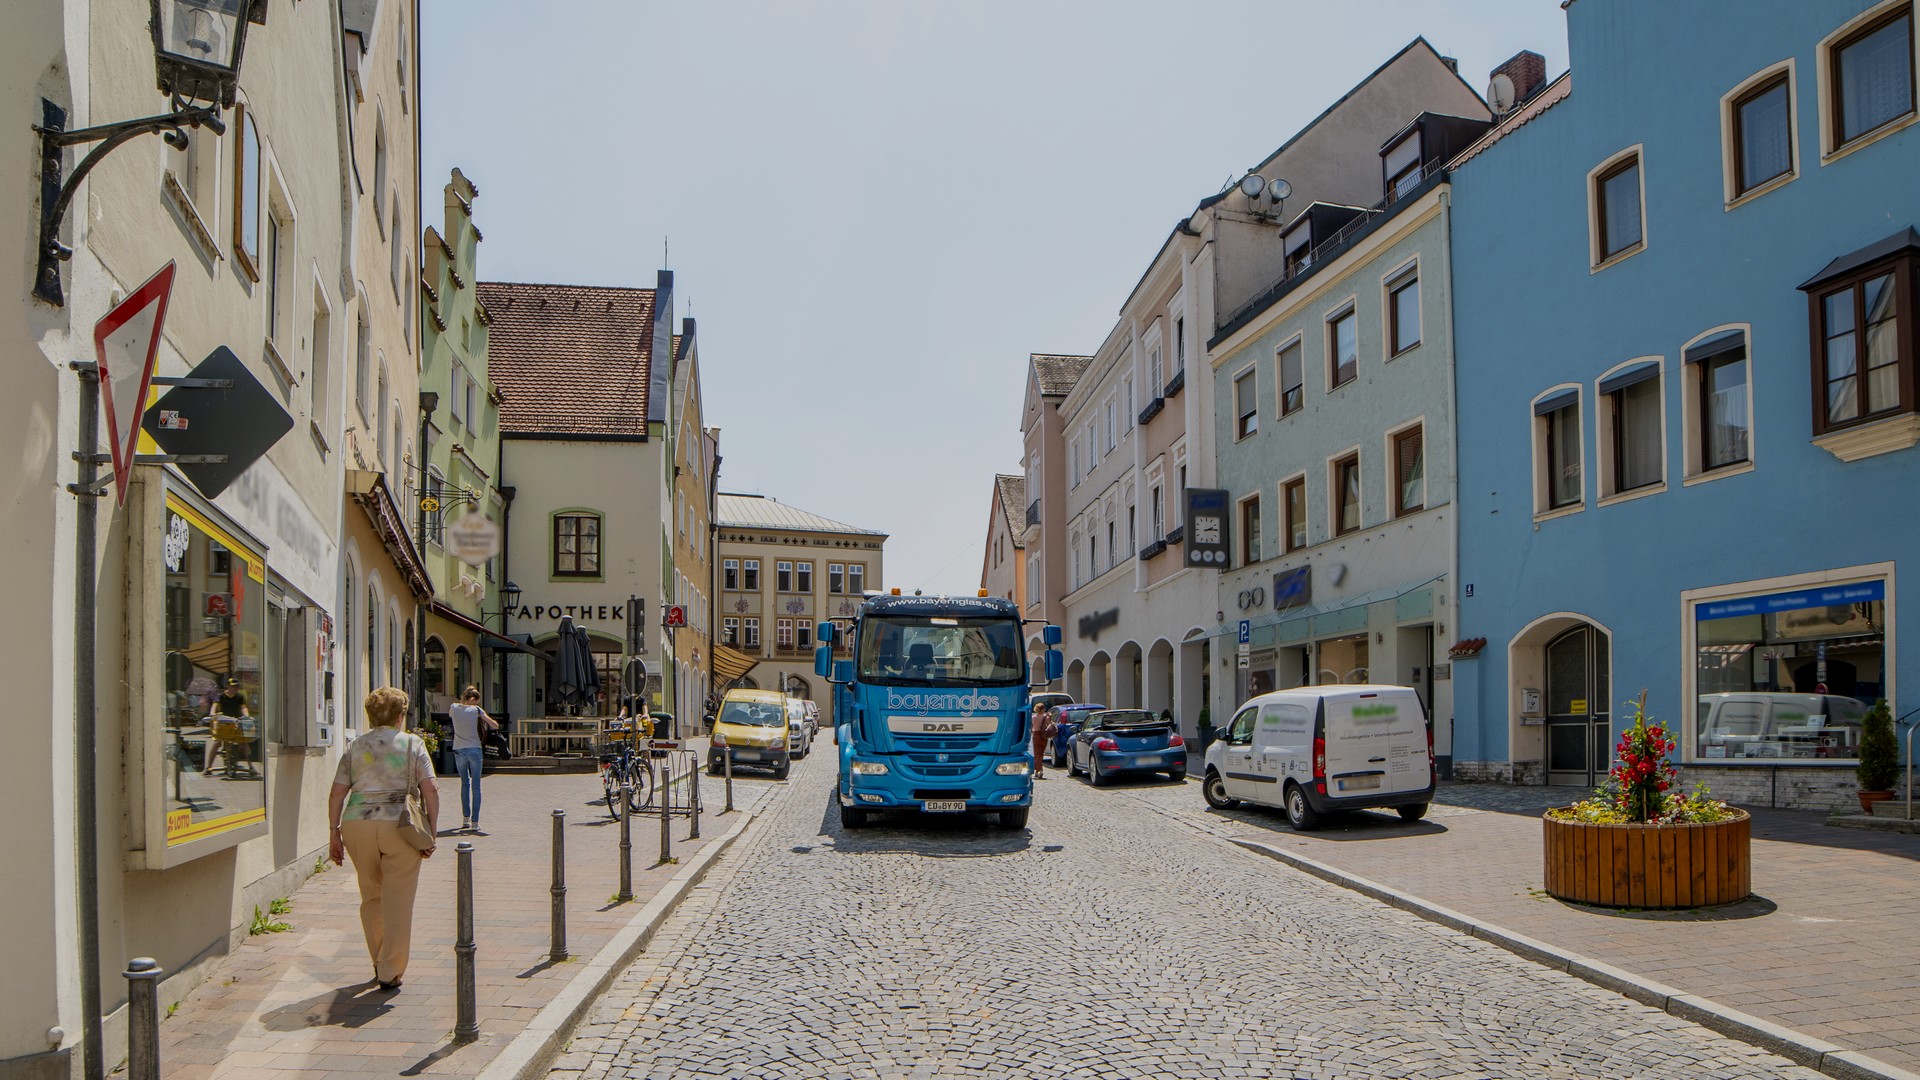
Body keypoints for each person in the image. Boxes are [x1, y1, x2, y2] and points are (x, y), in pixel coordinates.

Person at [328, 687, 439, 993]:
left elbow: (338, 792)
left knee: (371, 894)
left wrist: (333, 832)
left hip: (356, 824)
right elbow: (430, 788)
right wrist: (432, 829)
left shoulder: (355, 746)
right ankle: (390, 970)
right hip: (398, 824)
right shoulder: (412, 743)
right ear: (400, 715)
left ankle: (378, 959)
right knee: (398, 900)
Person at [447, 685, 499, 834]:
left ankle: (465, 818)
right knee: (476, 786)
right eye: (476, 701)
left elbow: (453, 715)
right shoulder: (476, 710)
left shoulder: (453, 707)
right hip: (474, 749)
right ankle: (475, 822)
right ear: (472, 699)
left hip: (459, 749)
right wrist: (478, 712)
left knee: (464, 783)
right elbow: (494, 725)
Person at [1031, 702, 1058, 780]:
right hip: (1044, 735)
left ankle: (1039, 770)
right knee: (1041, 753)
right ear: (1043, 709)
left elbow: (1032, 726)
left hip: (1036, 735)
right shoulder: (1046, 717)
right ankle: (1039, 770)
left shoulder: (1033, 717)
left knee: (1037, 753)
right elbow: (1049, 724)